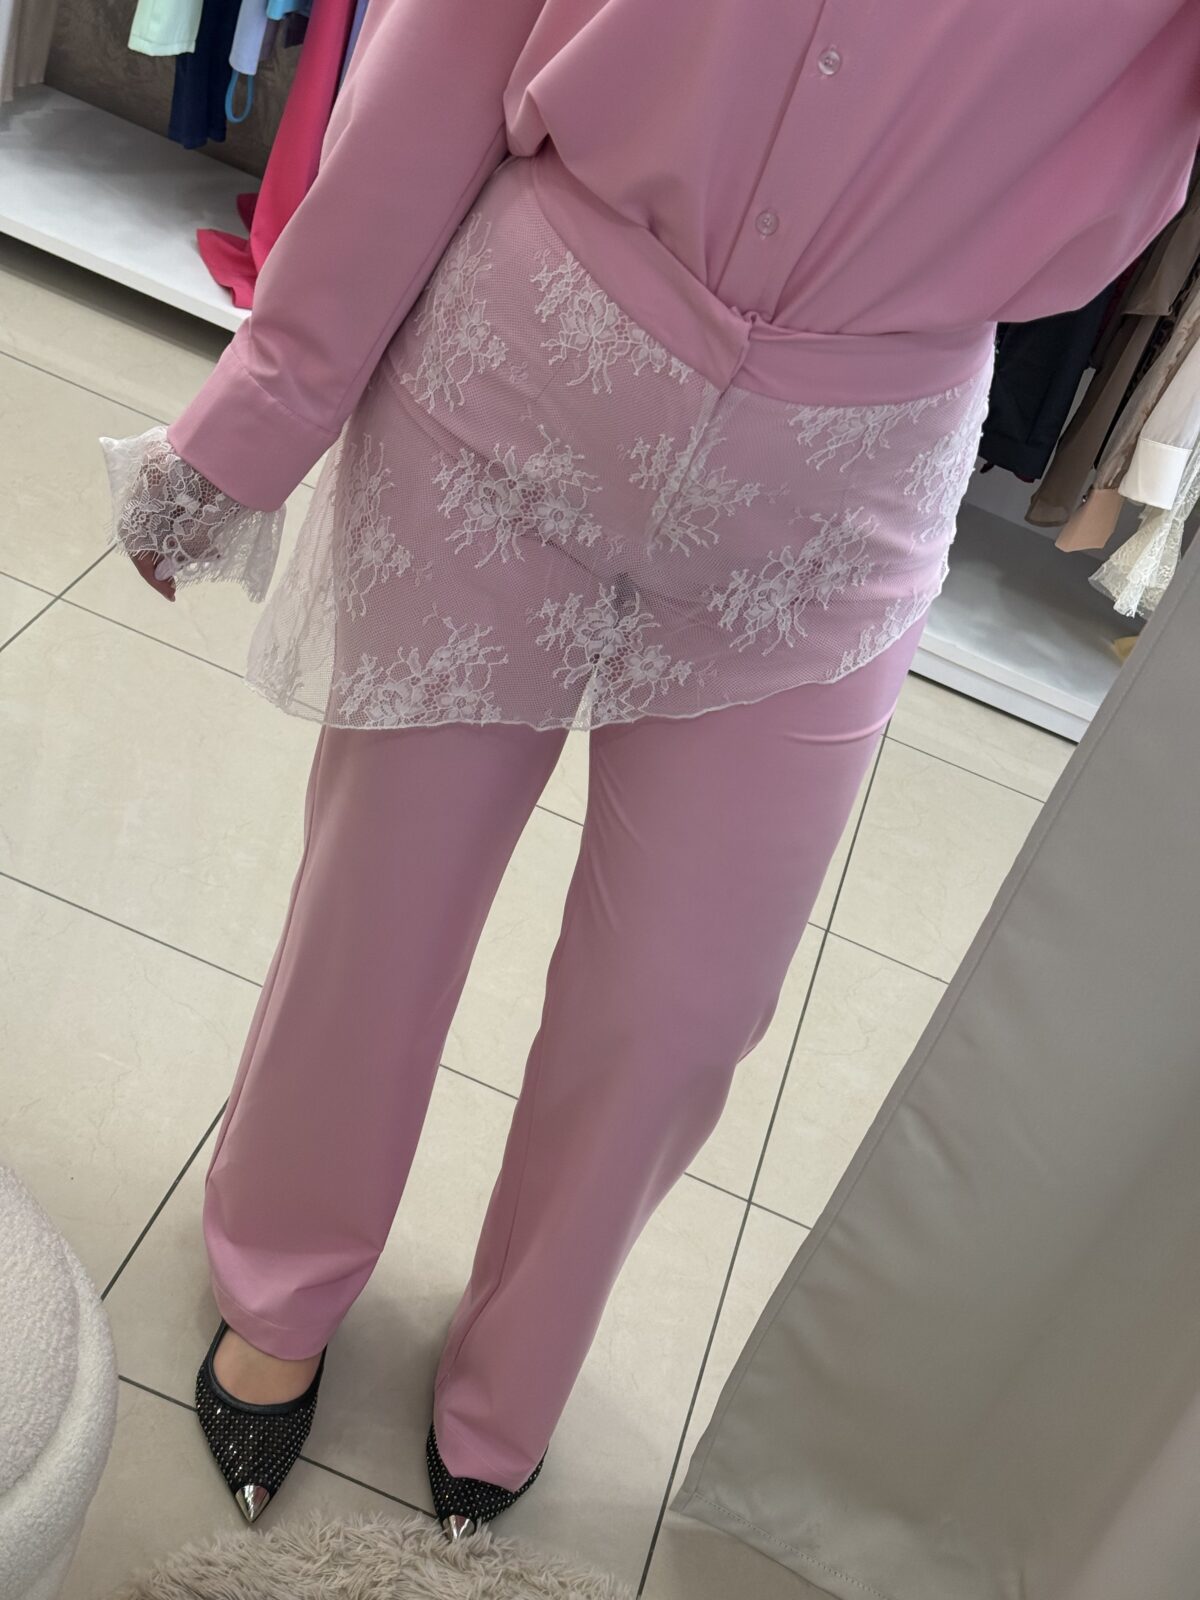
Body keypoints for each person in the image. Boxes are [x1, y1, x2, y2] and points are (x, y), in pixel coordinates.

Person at [101, 0, 1200, 1542]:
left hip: (838, 494)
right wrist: (267, 402)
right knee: (377, 907)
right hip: (518, 374)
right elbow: (455, 41)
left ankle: (514, 1380)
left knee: (680, 1009)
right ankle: (278, 1283)